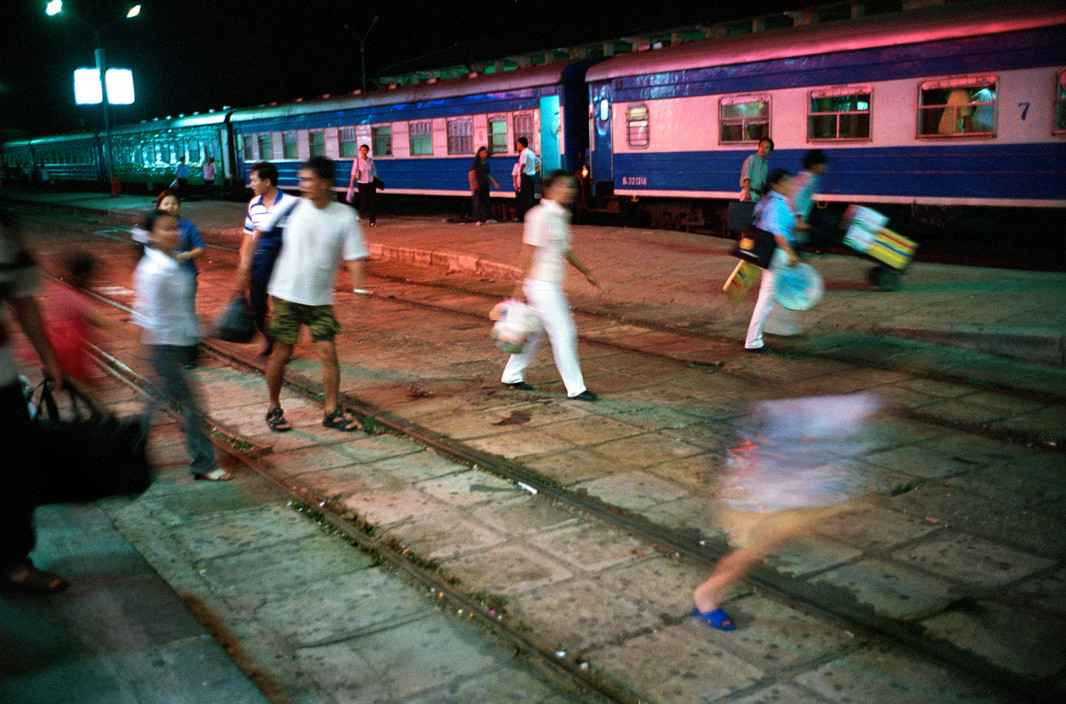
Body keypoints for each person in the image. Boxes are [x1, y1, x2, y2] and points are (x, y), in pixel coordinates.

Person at [262, 156, 368, 433]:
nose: (303, 185)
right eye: (302, 180)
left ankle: (331, 411)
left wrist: (359, 290)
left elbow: (355, 257)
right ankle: (274, 407)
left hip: (319, 299)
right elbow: (258, 238)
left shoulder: (344, 215)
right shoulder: (291, 207)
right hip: (285, 294)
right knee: (281, 352)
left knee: (328, 352)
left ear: (325, 183)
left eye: (309, 180)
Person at [0, 198, 70, 594]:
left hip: (1, 378)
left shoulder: (6, 231)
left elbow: (23, 302)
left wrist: (49, 357)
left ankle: (12, 563)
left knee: (15, 473)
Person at [133, 209, 232, 482]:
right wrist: (141, 354)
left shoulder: (171, 261)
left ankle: (128, 452)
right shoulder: (154, 270)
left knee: (154, 405)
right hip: (162, 348)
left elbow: (179, 308)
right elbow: (143, 316)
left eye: (175, 227)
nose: (174, 233)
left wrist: (201, 330)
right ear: (152, 236)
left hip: (175, 345)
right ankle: (203, 464)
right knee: (192, 405)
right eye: (166, 228)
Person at [501, 171, 599, 401]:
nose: (570, 190)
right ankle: (576, 388)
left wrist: (586, 272)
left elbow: (564, 249)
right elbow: (528, 251)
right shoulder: (539, 215)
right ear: (551, 189)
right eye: (564, 186)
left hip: (549, 284)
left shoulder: (559, 215)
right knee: (564, 332)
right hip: (541, 285)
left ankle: (511, 376)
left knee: (533, 332)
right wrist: (519, 286)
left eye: (571, 187)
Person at [744, 169, 801, 352]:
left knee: (772, 293)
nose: (789, 185)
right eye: (786, 183)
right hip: (775, 255)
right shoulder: (776, 204)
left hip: (766, 254)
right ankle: (753, 341)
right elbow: (778, 234)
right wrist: (791, 254)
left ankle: (778, 327)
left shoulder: (766, 201)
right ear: (776, 185)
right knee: (766, 298)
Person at [238, 161, 287, 358]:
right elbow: (249, 236)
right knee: (257, 306)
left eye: (254, 180)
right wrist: (244, 264)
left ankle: (283, 346)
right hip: (259, 264)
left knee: (283, 308)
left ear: (267, 181)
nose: (251, 184)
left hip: (283, 265)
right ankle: (268, 336)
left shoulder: (288, 204)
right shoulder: (254, 204)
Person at [345, 144, 378, 227]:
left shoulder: (371, 161)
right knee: (364, 202)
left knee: (373, 202)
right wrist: (351, 183)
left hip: (371, 183)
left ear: (367, 151)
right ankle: (358, 216)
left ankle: (372, 221)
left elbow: (374, 172)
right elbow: (353, 172)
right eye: (362, 150)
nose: (363, 151)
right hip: (362, 184)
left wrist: (377, 181)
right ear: (360, 151)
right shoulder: (357, 160)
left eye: (365, 150)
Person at [469, 146, 499, 225]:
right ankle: (477, 220)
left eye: (485, 153)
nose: (483, 154)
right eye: (481, 153)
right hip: (477, 185)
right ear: (479, 154)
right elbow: (472, 173)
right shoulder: (476, 163)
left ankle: (488, 219)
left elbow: (487, 174)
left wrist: (494, 182)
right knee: (477, 203)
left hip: (485, 184)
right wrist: (473, 184)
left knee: (487, 202)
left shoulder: (486, 163)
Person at [739, 138, 773, 203]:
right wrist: (747, 192)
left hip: (758, 195)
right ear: (758, 147)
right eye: (762, 146)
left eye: (766, 148)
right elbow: (746, 176)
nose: (763, 149)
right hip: (749, 193)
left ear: (770, 151)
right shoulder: (752, 159)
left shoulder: (765, 164)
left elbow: (762, 182)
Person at [515, 136, 541, 222]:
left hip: (525, 177)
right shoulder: (531, 153)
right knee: (530, 197)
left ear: (521, 144)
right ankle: (531, 217)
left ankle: (525, 217)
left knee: (524, 198)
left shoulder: (523, 154)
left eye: (518, 144)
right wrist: (534, 169)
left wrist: (520, 172)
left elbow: (523, 164)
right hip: (531, 178)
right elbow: (539, 162)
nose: (517, 146)